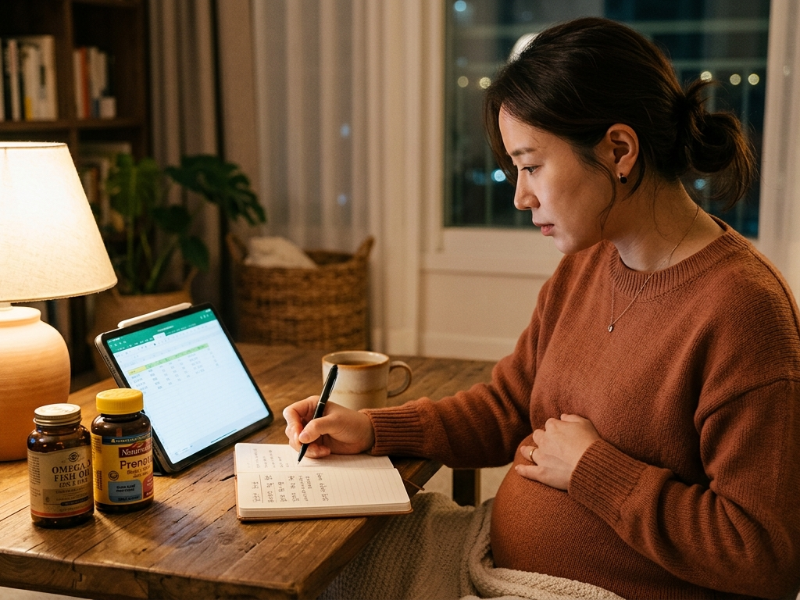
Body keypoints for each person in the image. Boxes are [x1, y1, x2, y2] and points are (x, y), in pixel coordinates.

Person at [284, 17, 800, 600]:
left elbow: (766, 557)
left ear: (619, 150)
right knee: (312, 561)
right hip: (490, 557)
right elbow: (509, 406)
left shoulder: (743, 311)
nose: (520, 196)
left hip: (581, 591)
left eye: (531, 165)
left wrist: (594, 471)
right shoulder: (588, 263)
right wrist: (374, 428)